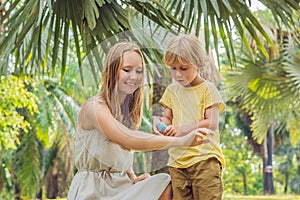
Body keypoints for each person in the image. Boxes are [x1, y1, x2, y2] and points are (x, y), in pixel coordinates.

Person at [67, 41, 213, 200]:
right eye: (127, 70)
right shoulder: (94, 108)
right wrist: (181, 141)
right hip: (93, 190)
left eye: (139, 71)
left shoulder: (125, 114)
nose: (134, 76)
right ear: (111, 70)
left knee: (165, 183)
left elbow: (120, 151)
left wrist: (132, 178)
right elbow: (127, 138)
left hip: (120, 185)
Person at [153, 34, 226, 200]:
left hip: (205, 159)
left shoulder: (207, 89)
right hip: (177, 162)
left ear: (199, 65)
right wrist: (160, 125)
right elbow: (167, 119)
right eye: (173, 68)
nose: (178, 74)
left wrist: (181, 129)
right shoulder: (171, 91)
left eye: (184, 68)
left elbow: (212, 122)